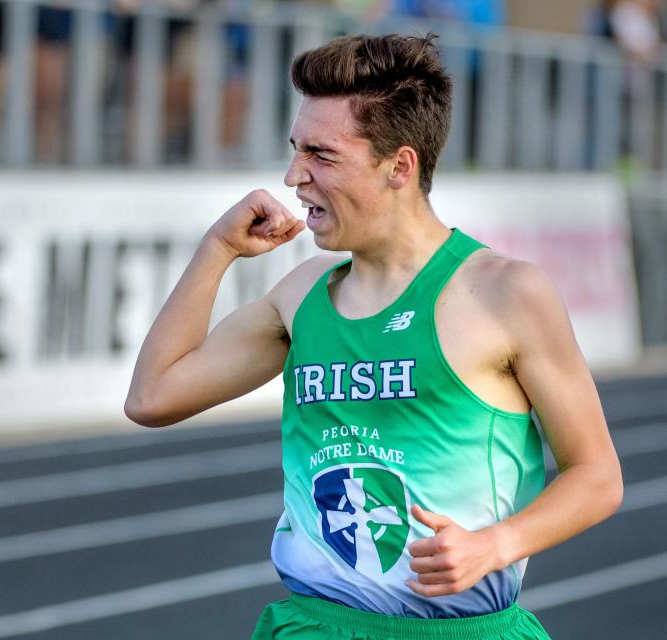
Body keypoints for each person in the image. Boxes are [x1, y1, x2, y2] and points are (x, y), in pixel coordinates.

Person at [126, 33, 623, 639]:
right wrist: (218, 249)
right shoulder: (301, 296)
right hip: (313, 627)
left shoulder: (505, 293)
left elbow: (596, 476)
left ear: (399, 167)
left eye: (321, 155)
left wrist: (495, 545)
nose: (293, 177)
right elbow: (152, 398)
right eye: (295, 151)